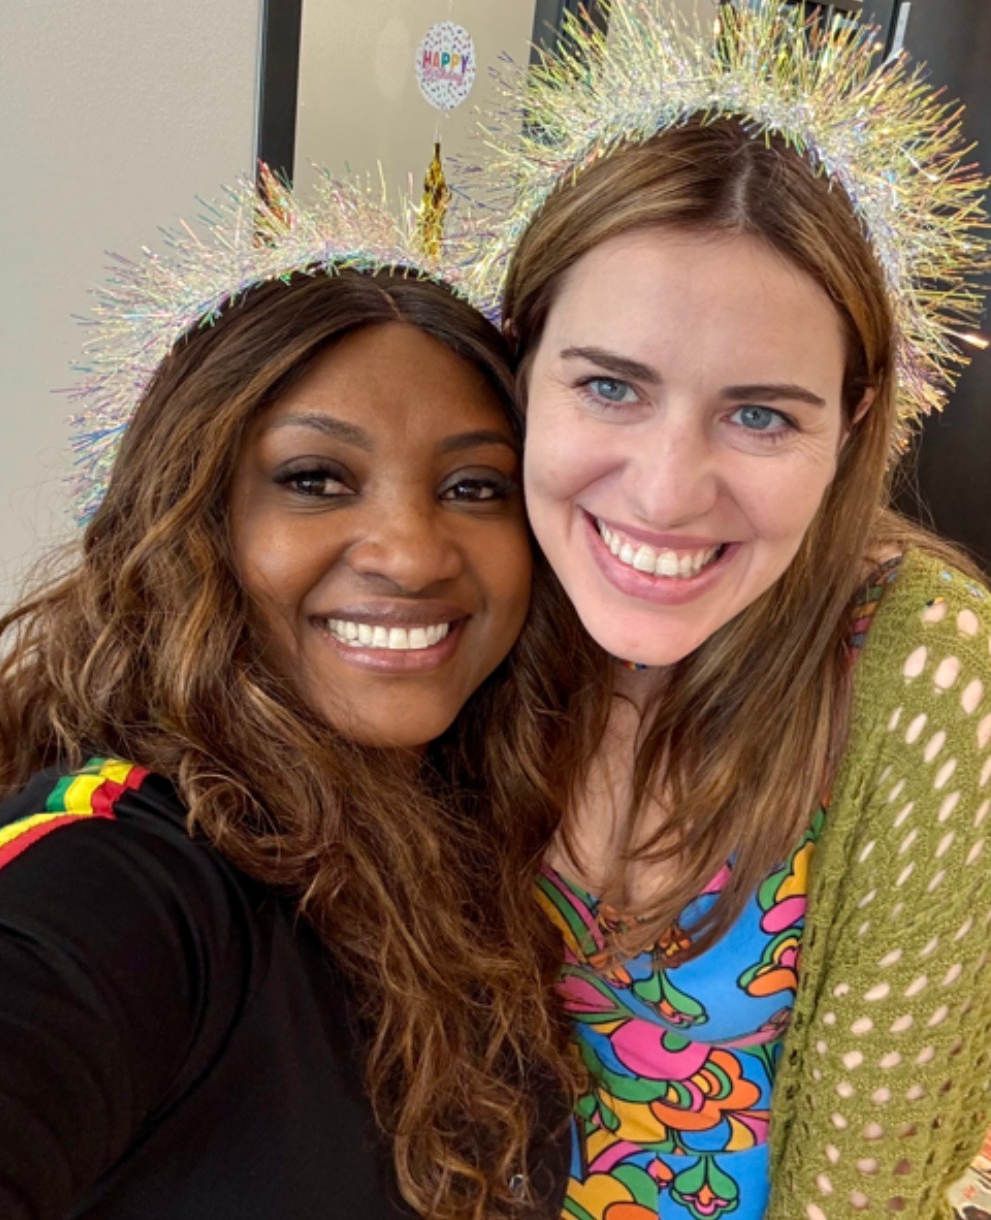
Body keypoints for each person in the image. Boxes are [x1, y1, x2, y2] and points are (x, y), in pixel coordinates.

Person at [468, 1, 991, 1217]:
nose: (665, 491)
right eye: (610, 386)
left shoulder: (930, 685)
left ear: (851, 423)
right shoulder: (454, 606)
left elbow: (865, 1188)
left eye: (759, 414)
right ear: (521, 367)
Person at [0, 175, 574, 1219]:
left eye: (475, 487)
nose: (411, 553)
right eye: (315, 479)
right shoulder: (125, 865)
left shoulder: (490, 838)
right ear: (192, 518)